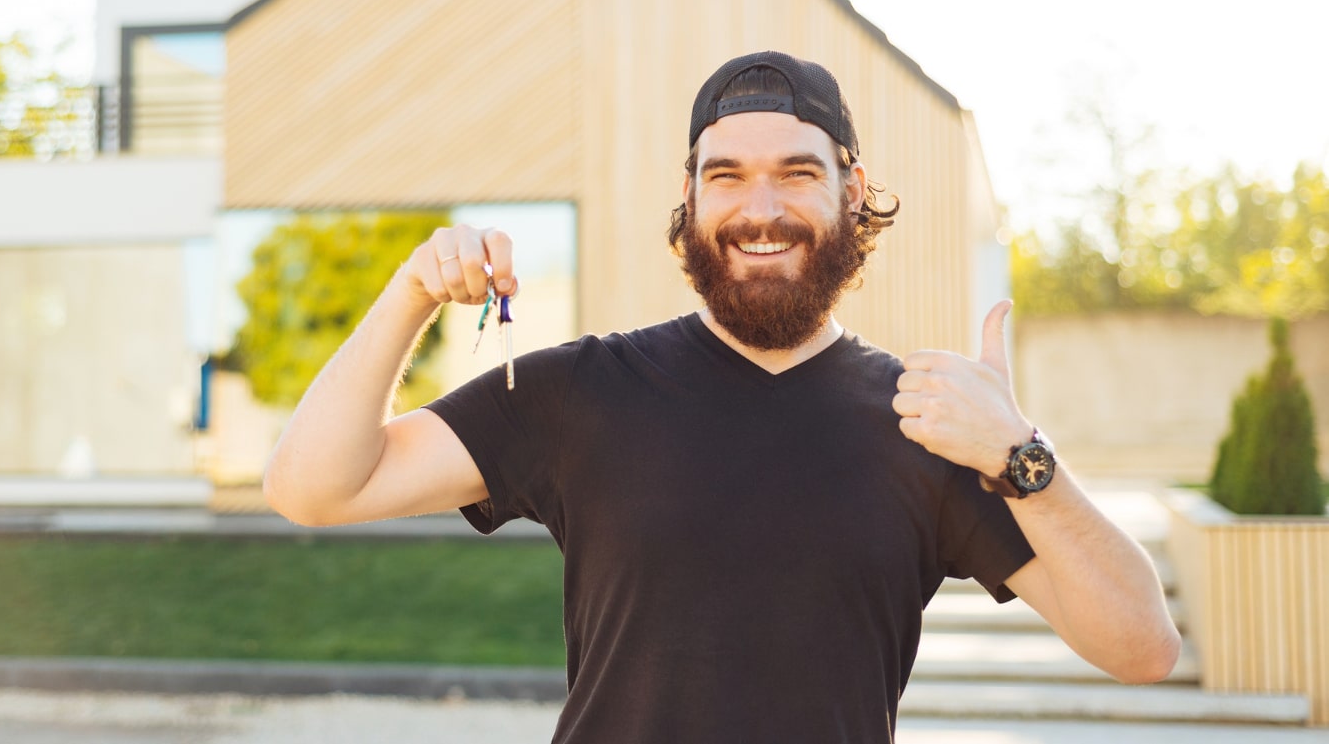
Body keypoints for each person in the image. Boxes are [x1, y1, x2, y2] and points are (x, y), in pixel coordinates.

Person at [264, 50, 1180, 742]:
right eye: (727, 174)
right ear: (693, 198)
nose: (760, 208)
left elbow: (1143, 647)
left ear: (852, 191)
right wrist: (411, 293)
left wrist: (1021, 455)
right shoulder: (580, 393)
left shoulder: (928, 425)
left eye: (798, 172)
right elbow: (313, 488)